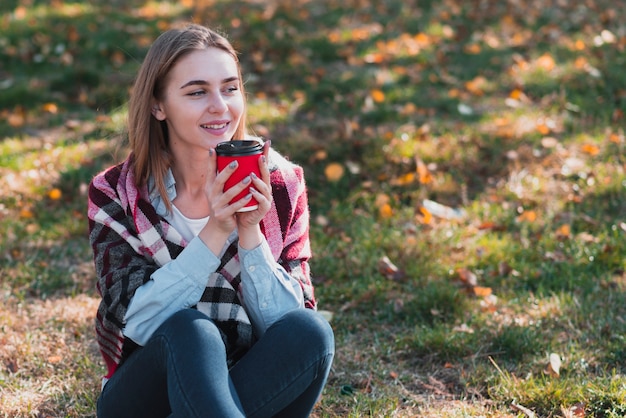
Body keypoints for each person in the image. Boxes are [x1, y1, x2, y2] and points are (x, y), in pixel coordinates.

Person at [87, 23, 334, 417]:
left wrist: (249, 230)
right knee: (193, 331)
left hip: (249, 383)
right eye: (197, 91)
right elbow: (135, 323)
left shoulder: (280, 184)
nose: (220, 106)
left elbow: (284, 326)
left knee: (311, 330)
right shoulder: (118, 194)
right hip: (145, 395)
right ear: (158, 105)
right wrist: (216, 231)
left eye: (230, 87)